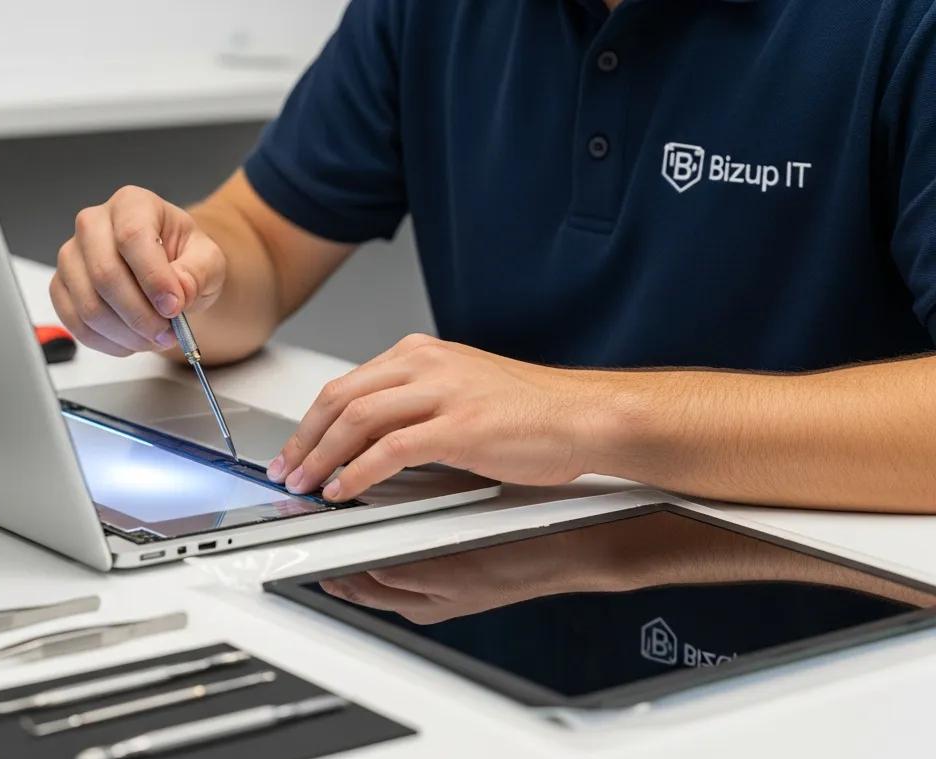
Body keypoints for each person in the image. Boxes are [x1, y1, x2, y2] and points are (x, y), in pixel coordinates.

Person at [49, 0, 936, 514]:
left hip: (836, 599)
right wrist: (173, 277)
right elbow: (264, 249)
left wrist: (592, 418)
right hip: (499, 570)